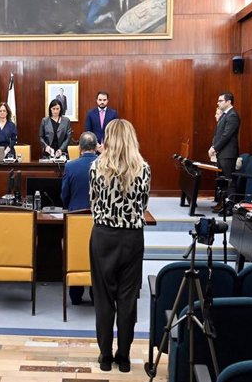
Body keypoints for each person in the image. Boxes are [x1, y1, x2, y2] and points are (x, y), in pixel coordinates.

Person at [89, 119, 151, 373]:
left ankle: (105, 356)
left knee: (103, 299)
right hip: (132, 238)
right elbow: (144, 204)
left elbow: (92, 200)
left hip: (103, 236)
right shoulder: (143, 168)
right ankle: (123, 358)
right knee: (127, 300)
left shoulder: (96, 166)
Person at [61, 131, 98, 305]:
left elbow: (64, 194)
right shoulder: (105, 165)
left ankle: (75, 296)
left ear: (79, 148)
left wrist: (70, 207)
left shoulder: (70, 166)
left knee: (75, 253)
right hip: (99, 218)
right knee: (97, 255)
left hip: (75, 216)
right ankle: (95, 293)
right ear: (96, 147)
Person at [209, 93, 240, 214]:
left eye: (220, 100)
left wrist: (214, 148)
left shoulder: (232, 115)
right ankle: (224, 204)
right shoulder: (225, 115)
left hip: (228, 154)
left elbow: (226, 135)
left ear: (228, 102)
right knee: (223, 181)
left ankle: (230, 207)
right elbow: (219, 134)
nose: (218, 103)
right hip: (223, 153)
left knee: (229, 181)